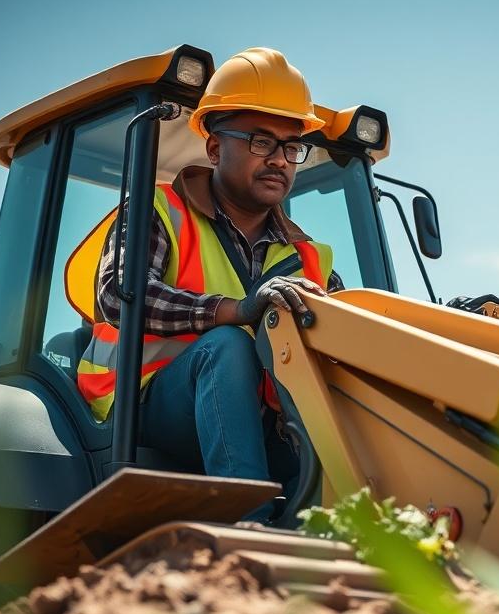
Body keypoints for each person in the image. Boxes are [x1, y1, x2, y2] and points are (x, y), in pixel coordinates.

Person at [75, 47, 343, 487]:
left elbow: (347, 332)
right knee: (228, 345)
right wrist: (236, 310)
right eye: (262, 142)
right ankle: (249, 522)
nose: (279, 159)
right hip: (144, 403)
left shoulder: (311, 258)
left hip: (264, 419)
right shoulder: (159, 210)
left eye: (292, 147)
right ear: (215, 149)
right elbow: (119, 294)